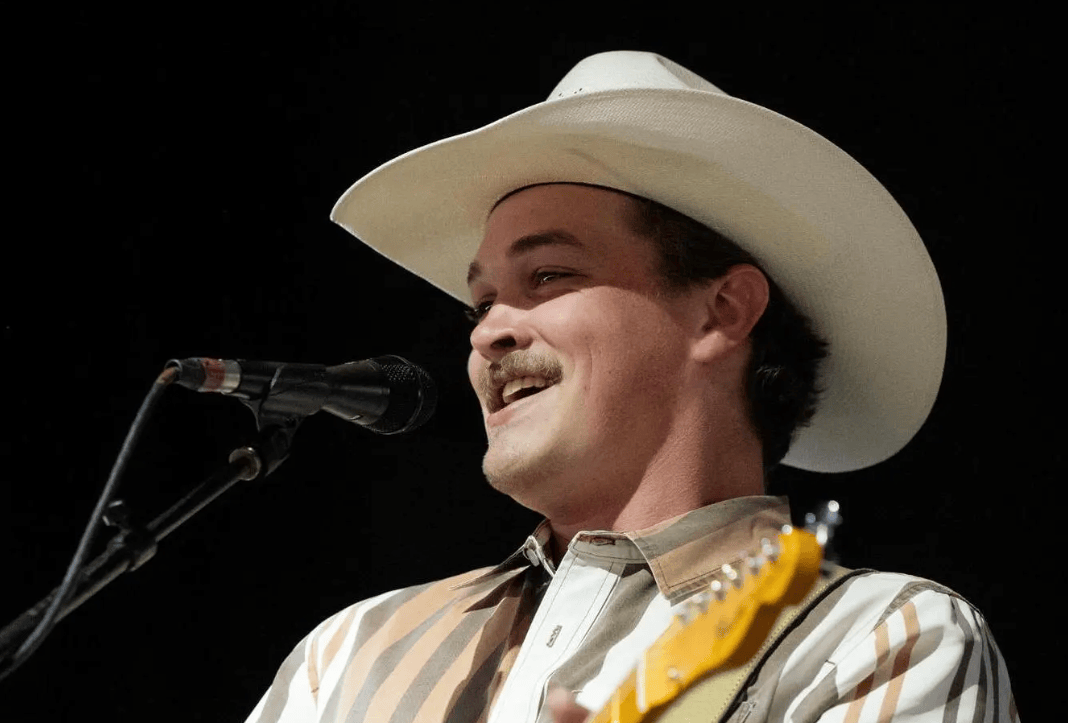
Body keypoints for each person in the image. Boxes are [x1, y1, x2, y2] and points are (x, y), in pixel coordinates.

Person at [245, 51, 1018, 722]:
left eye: (549, 275)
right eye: (481, 303)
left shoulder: (878, 637)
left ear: (723, 310)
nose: (487, 333)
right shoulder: (347, 654)